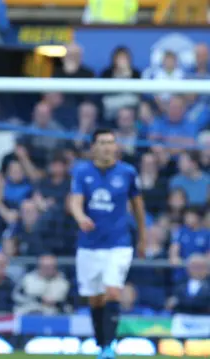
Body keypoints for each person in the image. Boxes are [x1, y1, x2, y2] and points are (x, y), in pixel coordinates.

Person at [68, 128, 146, 359]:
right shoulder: (82, 172)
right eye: (102, 142)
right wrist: (81, 217)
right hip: (90, 244)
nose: (107, 147)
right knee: (95, 298)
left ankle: (109, 348)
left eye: (111, 142)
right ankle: (101, 345)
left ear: (116, 146)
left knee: (113, 290)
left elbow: (138, 207)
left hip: (119, 242)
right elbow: (75, 201)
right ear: (93, 147)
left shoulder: (128, 172)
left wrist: (142, 237)